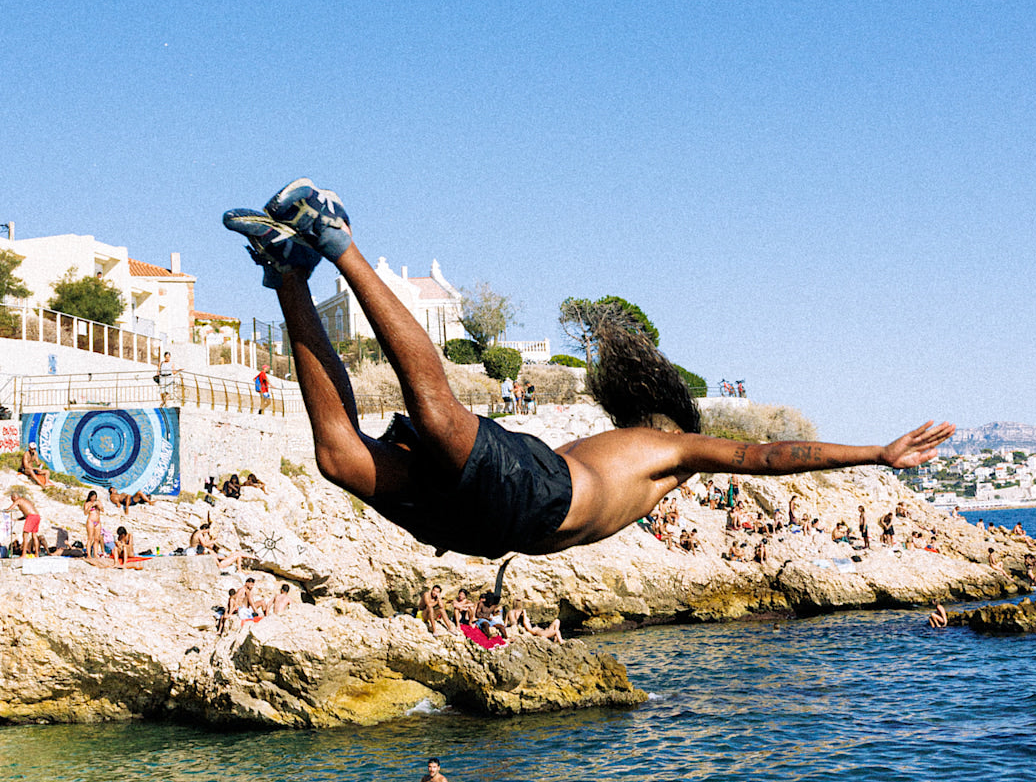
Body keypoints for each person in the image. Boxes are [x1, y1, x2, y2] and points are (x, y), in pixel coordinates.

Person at [222, 179, 955, 561]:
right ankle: (319, 249)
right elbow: (766, 455)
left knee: (344, 456)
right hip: (511, 515)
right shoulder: (638, 465)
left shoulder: (673, 449)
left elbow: (763, 457)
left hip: (499, 520)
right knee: (380, 444)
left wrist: (877, 455)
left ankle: (302, 263)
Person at [5, 491, 42, 557]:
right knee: (34, 535)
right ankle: (36, 554)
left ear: (14, 497)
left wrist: (4, 510)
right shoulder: (25, 501)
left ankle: (23, 554)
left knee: (25, 535)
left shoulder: (18, 500)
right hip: (37, 516)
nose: (13, 502)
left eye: (12, 500)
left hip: (31, 517)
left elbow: (9, 509)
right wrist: (16, 519)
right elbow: (25, 516)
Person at [84, 491, 105, 558]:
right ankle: (89, 554)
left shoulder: (98, 502)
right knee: (90, 538)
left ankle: (95, 554)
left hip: (98, 522)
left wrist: (98, 505)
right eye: (92, 497)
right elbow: (85, 513)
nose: (93, 498)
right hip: (91, 521)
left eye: (95, 497)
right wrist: (91, 506)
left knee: (97, 539)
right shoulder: (87, 503)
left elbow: (102, 510)